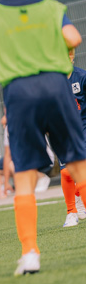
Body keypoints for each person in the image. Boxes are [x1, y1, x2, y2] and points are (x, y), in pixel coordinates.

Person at [0, 0, 84, 276]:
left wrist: (9, 47)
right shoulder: (51, 6)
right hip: (56, 85)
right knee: (79, 164)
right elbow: (74, 38)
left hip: (20, 93)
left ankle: (30, 253)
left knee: (24, 176)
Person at [59, 49, 86, 227]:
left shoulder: (82, 77)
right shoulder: (52, 81)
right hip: (61, 132)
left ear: (72, 55)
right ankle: (71, 212)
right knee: (66, 172)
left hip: (83, 129)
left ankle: (78, 198)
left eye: (67, 53)